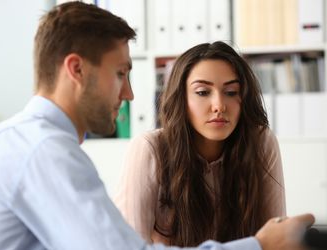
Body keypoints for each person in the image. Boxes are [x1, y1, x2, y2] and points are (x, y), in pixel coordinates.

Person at [0, 2, 313, 250]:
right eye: (120, 74)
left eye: (232, 93)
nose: (129, 94)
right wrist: (259, 246)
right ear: (76, 70)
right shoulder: (41, 151)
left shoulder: (14, 142)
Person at [114, 41, 287, 247]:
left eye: (231, 92)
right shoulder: (149, 149)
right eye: (203, 92)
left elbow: (277, 240)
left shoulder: (261, 142)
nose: (219, 106)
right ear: (181, 99)